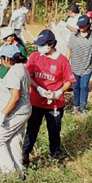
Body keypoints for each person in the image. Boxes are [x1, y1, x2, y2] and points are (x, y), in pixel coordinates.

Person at [22, 30, 74, 164]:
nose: (40, 48)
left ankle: (55, 156)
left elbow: (68, 81)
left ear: (50, 44)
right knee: (32, 130)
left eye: (42, 45)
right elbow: (28, 76)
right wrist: (38, 88)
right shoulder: (35, 57)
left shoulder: (62, 61)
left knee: (54, 131)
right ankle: (24, 155)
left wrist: (58, 92)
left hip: (55, 104)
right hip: (36, 101)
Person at [0, 45, 32, 177]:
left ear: (7, 59)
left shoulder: (13, 72)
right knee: (14, 140)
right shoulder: (22, 69)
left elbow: (15, 97)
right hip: (23, 111)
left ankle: (10, 173)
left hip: (15, 113)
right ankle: (20, 172)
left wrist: (3, 115)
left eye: (2, 59)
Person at [65, 15, 92, 113]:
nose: (81, 28)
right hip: (75, 66)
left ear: (88, 25)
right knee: (75, 87)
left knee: (84, 86)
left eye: (83, 26)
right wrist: (66, 63)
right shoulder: (74, 36)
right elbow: (69, 49)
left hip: (88, 66)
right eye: (79, 26)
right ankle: (76, 105)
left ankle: (83, 107)